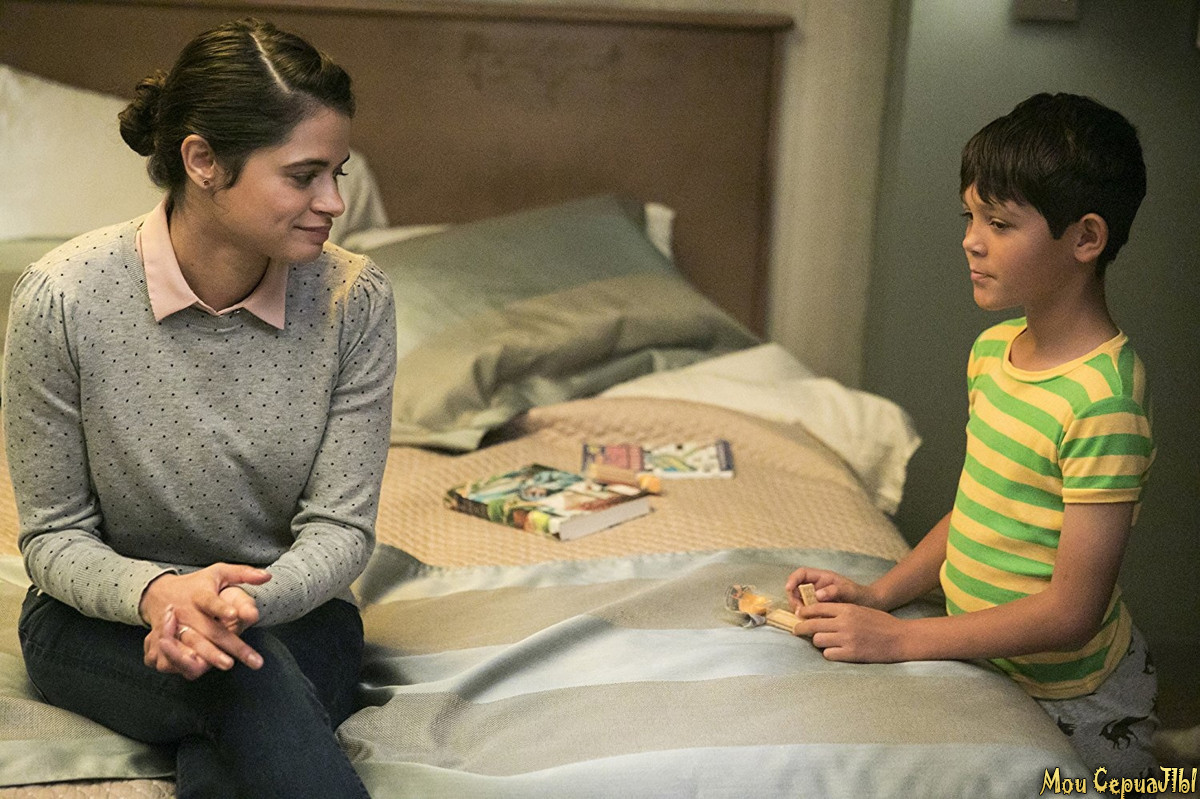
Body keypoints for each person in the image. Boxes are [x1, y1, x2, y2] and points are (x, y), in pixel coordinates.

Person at [4, 18, 396, 798]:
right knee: (244, 676)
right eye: (304, 175)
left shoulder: (355, 300)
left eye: (338, 172)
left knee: (237, 673)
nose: (334, 202)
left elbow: (342, 528)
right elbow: (52, 535)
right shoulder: (62, 299)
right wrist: (160, 595)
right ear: (203, 160)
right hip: (97, 623)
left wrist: (234, 604)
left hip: (297, 611)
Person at [785, 93, 1157, 779]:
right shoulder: (992, 352)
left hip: (1075, 701)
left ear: (1085, 239)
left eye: (1000, 222)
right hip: (989, 669)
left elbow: (1072, 612)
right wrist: (879, 596)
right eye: (971, 216)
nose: (971, 240)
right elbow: (979, 511)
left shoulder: (1104, 400)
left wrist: (901, 639)